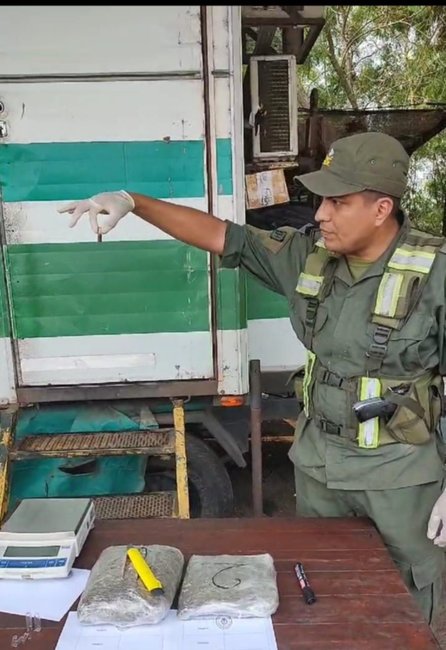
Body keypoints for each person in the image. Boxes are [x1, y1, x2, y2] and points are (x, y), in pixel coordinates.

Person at [59, 131, 446, 624]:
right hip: (319, 466)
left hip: (401, 477)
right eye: (320, 201)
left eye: (338, 202)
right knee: (325, 592)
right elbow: (224, 235)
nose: (321, 214)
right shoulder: (308, 256)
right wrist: (134, 203)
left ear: (381, 208)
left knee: (405, 605)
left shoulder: (435, 273)